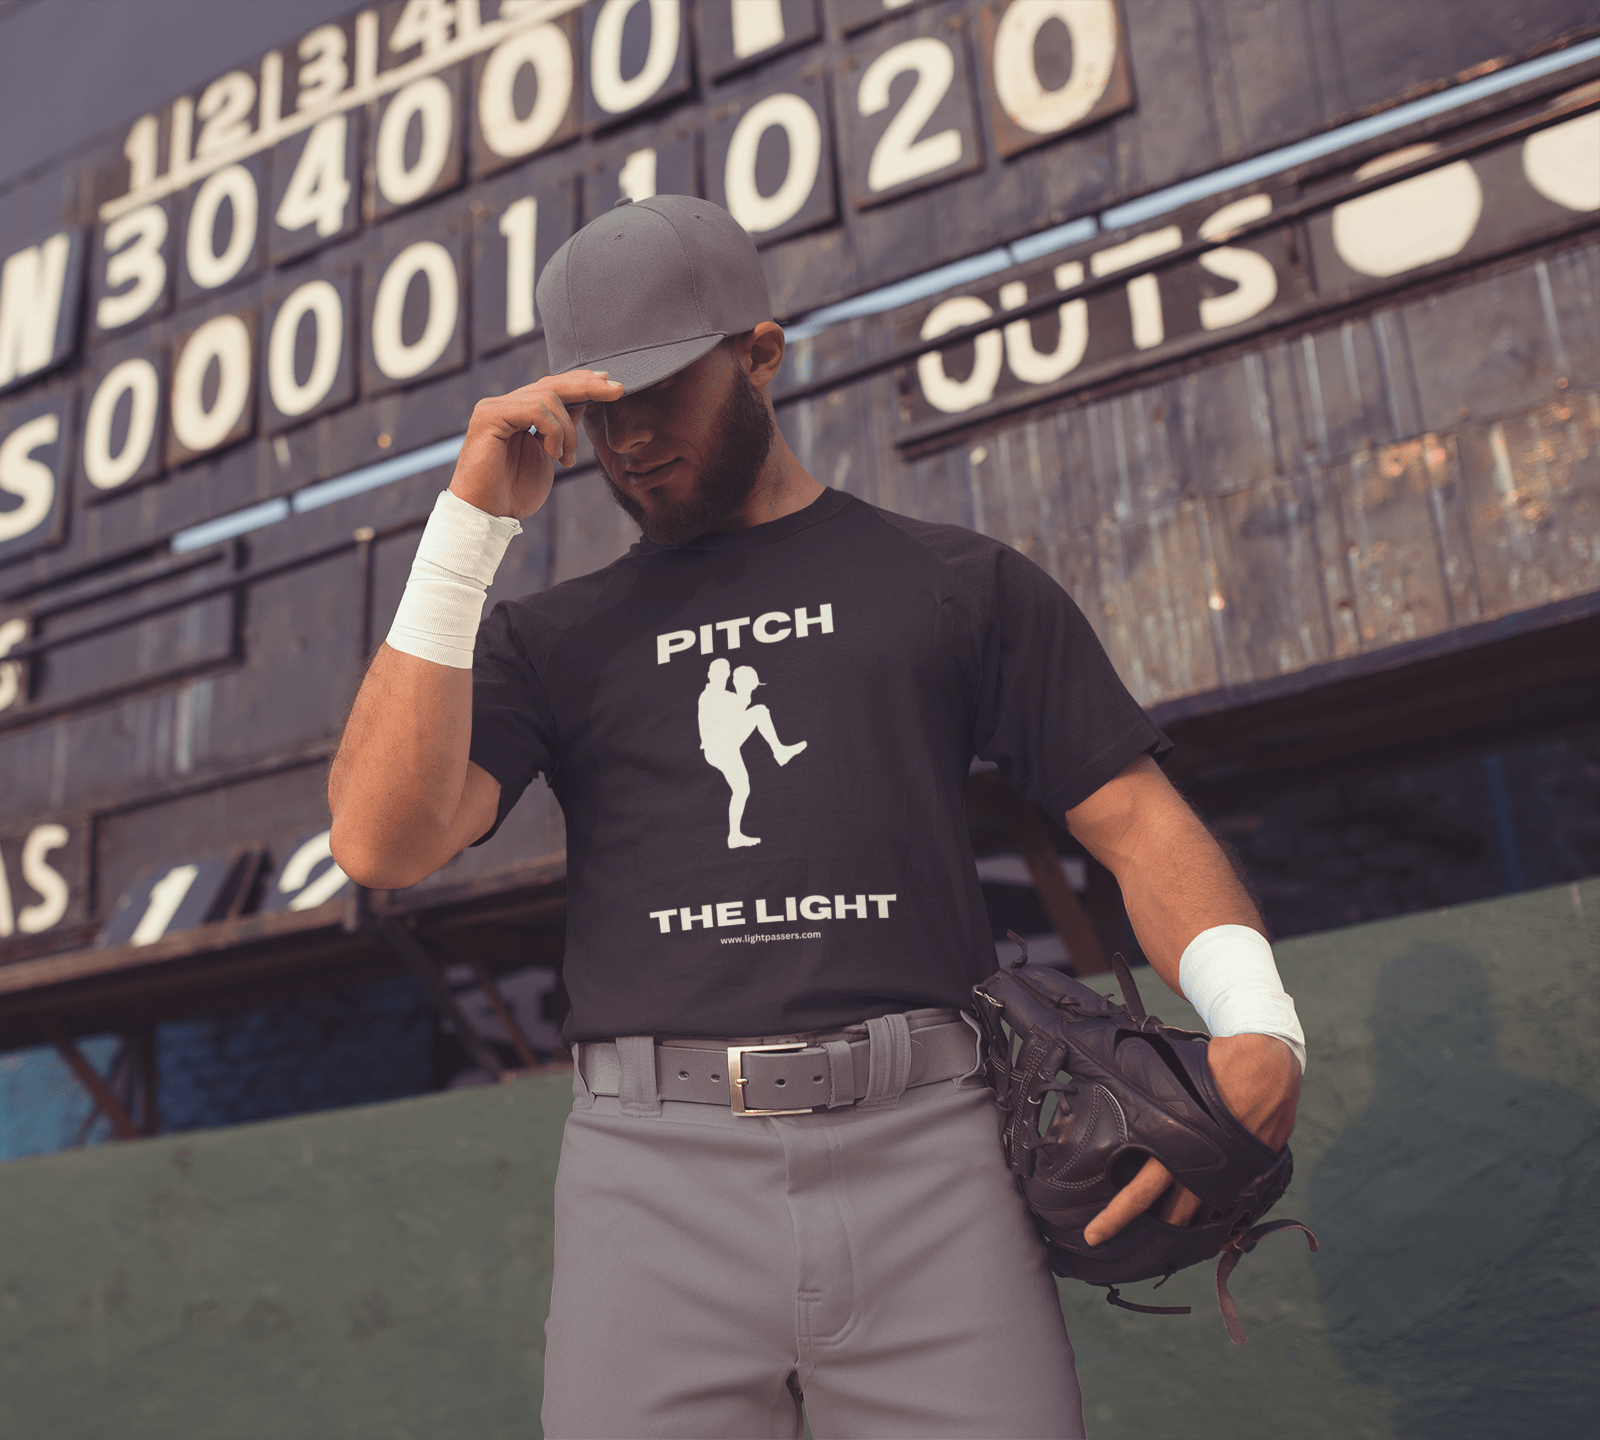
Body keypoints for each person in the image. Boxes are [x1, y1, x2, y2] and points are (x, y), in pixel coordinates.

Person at [328, 196, 1306, 1440]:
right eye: (598, 407)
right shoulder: (549, 638)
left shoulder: (954, 583)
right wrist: (467, 532)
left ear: (760, 353)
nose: (627, 440)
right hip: (651, 1171)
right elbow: (377, 842)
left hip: (933, 1153)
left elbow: (1130, 817)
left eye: (658, 393)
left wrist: (1260, 1023)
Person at [698, 656, 807, 848]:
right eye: (717, 671)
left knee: (742, 789)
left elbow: (738, 708)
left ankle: (734, 836)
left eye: (725, 671)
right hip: (718, 746)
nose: (722, 675)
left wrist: (746, 686)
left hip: (727, 745)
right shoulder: (710, 695)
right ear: (709, 675)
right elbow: (736, 706)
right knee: (759, 712)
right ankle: (780, 751)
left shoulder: (726, 695)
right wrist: (745, 688)